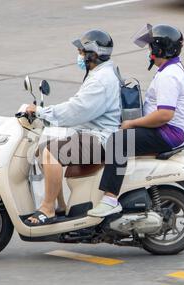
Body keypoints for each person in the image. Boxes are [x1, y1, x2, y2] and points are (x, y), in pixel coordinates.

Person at [88, 24, 184, 217]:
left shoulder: (169, 76)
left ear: (159, 49)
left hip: (169, 132)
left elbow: (164, 115)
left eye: (151, 47)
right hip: (170, 130)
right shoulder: (171, 69)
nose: (149, 51)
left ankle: (110, 199)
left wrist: (132, 123)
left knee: (118, 142)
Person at [24, 29, 121, 226]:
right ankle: (60, 205)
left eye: (82, 52)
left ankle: (47, 209)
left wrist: (43, 113)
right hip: (92, 132)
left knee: (52, 153)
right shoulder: (100, 73)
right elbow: (78, 106)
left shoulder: (101, 80)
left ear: (93, 54)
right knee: (43, 149)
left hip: (100, 137)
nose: (80, 56)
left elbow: (77, 110)